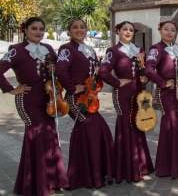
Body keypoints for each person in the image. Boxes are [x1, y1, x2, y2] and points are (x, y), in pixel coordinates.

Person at [0, 17, 68, 196]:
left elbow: (57, 72)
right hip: (28, 99)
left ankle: (52, 181)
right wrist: (11, 89)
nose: (38, 32)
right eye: (34, 29)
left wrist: (55, 69)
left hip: (49, 98)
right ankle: (36, 185)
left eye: (41, 29)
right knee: (36, 136)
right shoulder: (16, 51)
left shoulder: (48, 49)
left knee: (51, 136)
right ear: (25, 30)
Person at [56, 18, 114, 189]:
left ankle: (93, 173)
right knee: (90, 128)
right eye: (75, 27)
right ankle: (82, 176)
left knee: (98, 130)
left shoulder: (89, 49)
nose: (79, 30)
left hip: (90, 100)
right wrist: (72, 87)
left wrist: (97, 81)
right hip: (75, 100)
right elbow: (60, 69)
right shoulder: (67, 48)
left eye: (82, 27)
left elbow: (95, 75)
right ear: (69, 31)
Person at [99, 21, 154, 183]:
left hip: (139, 93)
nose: (128, 32)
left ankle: (141, 166)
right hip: (122, 94)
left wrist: (144, 78)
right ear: (118, 32)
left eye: (131, 30)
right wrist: (117, 83)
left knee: (139, 124)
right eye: (125, 29)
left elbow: (144, 71)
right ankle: (125, 169)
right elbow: (103, 71)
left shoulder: (139, 50)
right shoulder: (113, 51)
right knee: (126, 124)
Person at [145, 20, 178, 178]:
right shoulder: (156, 49)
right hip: (165, 92)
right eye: (166, 29)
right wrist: (163, 83)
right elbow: (149, 69)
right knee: (170, 124)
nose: (169, 32)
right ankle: (166, 166)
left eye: (172, 30)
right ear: (160, 30)